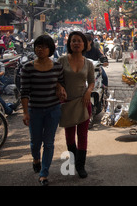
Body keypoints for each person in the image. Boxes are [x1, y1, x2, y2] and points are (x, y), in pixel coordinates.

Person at [20, 35, 65, 186]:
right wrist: (25, 112)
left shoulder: (58, 67)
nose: (40, 49)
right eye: (38, 46)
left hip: (53, 110)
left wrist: (60, 87)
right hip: (35, 110)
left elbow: (61, 83)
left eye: (44, 47)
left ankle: (44, 173)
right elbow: (24, 92)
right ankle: (35, 159)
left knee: (49, 143)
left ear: (50, 49)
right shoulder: (27, 68)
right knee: (35, 142)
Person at [57, 31, 95, 179]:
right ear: (69, 43)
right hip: (67, 103)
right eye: (73, 41)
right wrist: (59, 87)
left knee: (83, 135)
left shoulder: (89, 63)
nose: (76, 43)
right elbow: (56, 79)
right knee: (70, 135)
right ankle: (72, 162)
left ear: (84, 44)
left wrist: (88, 91)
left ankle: (81, 166)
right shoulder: (61, 60)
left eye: (79, 41)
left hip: (84, 102)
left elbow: (92, 81)